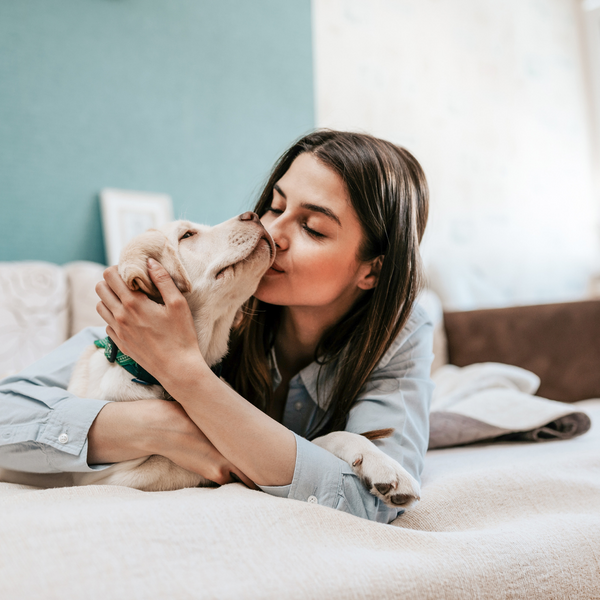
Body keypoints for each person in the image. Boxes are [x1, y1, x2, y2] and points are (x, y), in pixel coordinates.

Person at [0, 130, 434, 523]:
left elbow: (373, 503)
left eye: (313, 228)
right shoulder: (198, 304)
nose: (272, 230)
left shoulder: (401, 332)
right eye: (276, 205)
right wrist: (163, 427)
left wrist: (184, 372)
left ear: (372, 272)